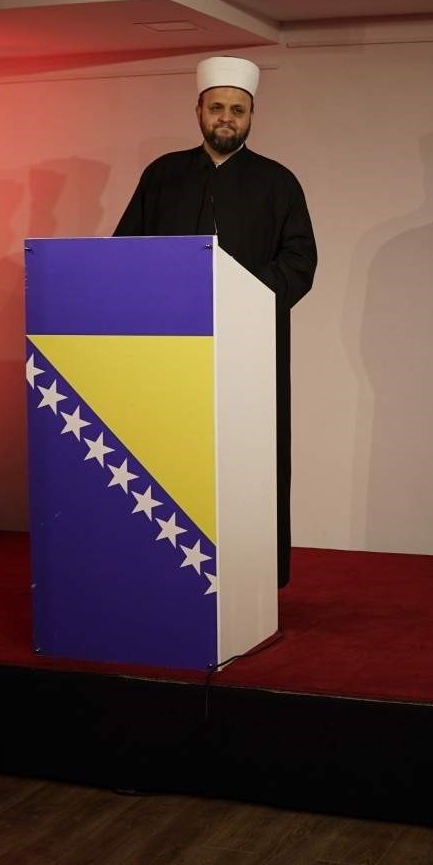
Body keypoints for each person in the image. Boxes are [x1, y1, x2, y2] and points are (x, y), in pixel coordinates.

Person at [113, 55, 316, 586]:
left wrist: (241, 298)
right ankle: (167, 567)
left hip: (249, 350)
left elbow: (299, 263)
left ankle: (255, 574)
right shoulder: (162, 175)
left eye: (238, 110)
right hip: (171, 349)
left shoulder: (278, 183)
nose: (227, 118)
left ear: (251, 117)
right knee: (171, 456)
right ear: (198, 111)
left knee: (250, 462)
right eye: (217, 107)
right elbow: (125, 253)